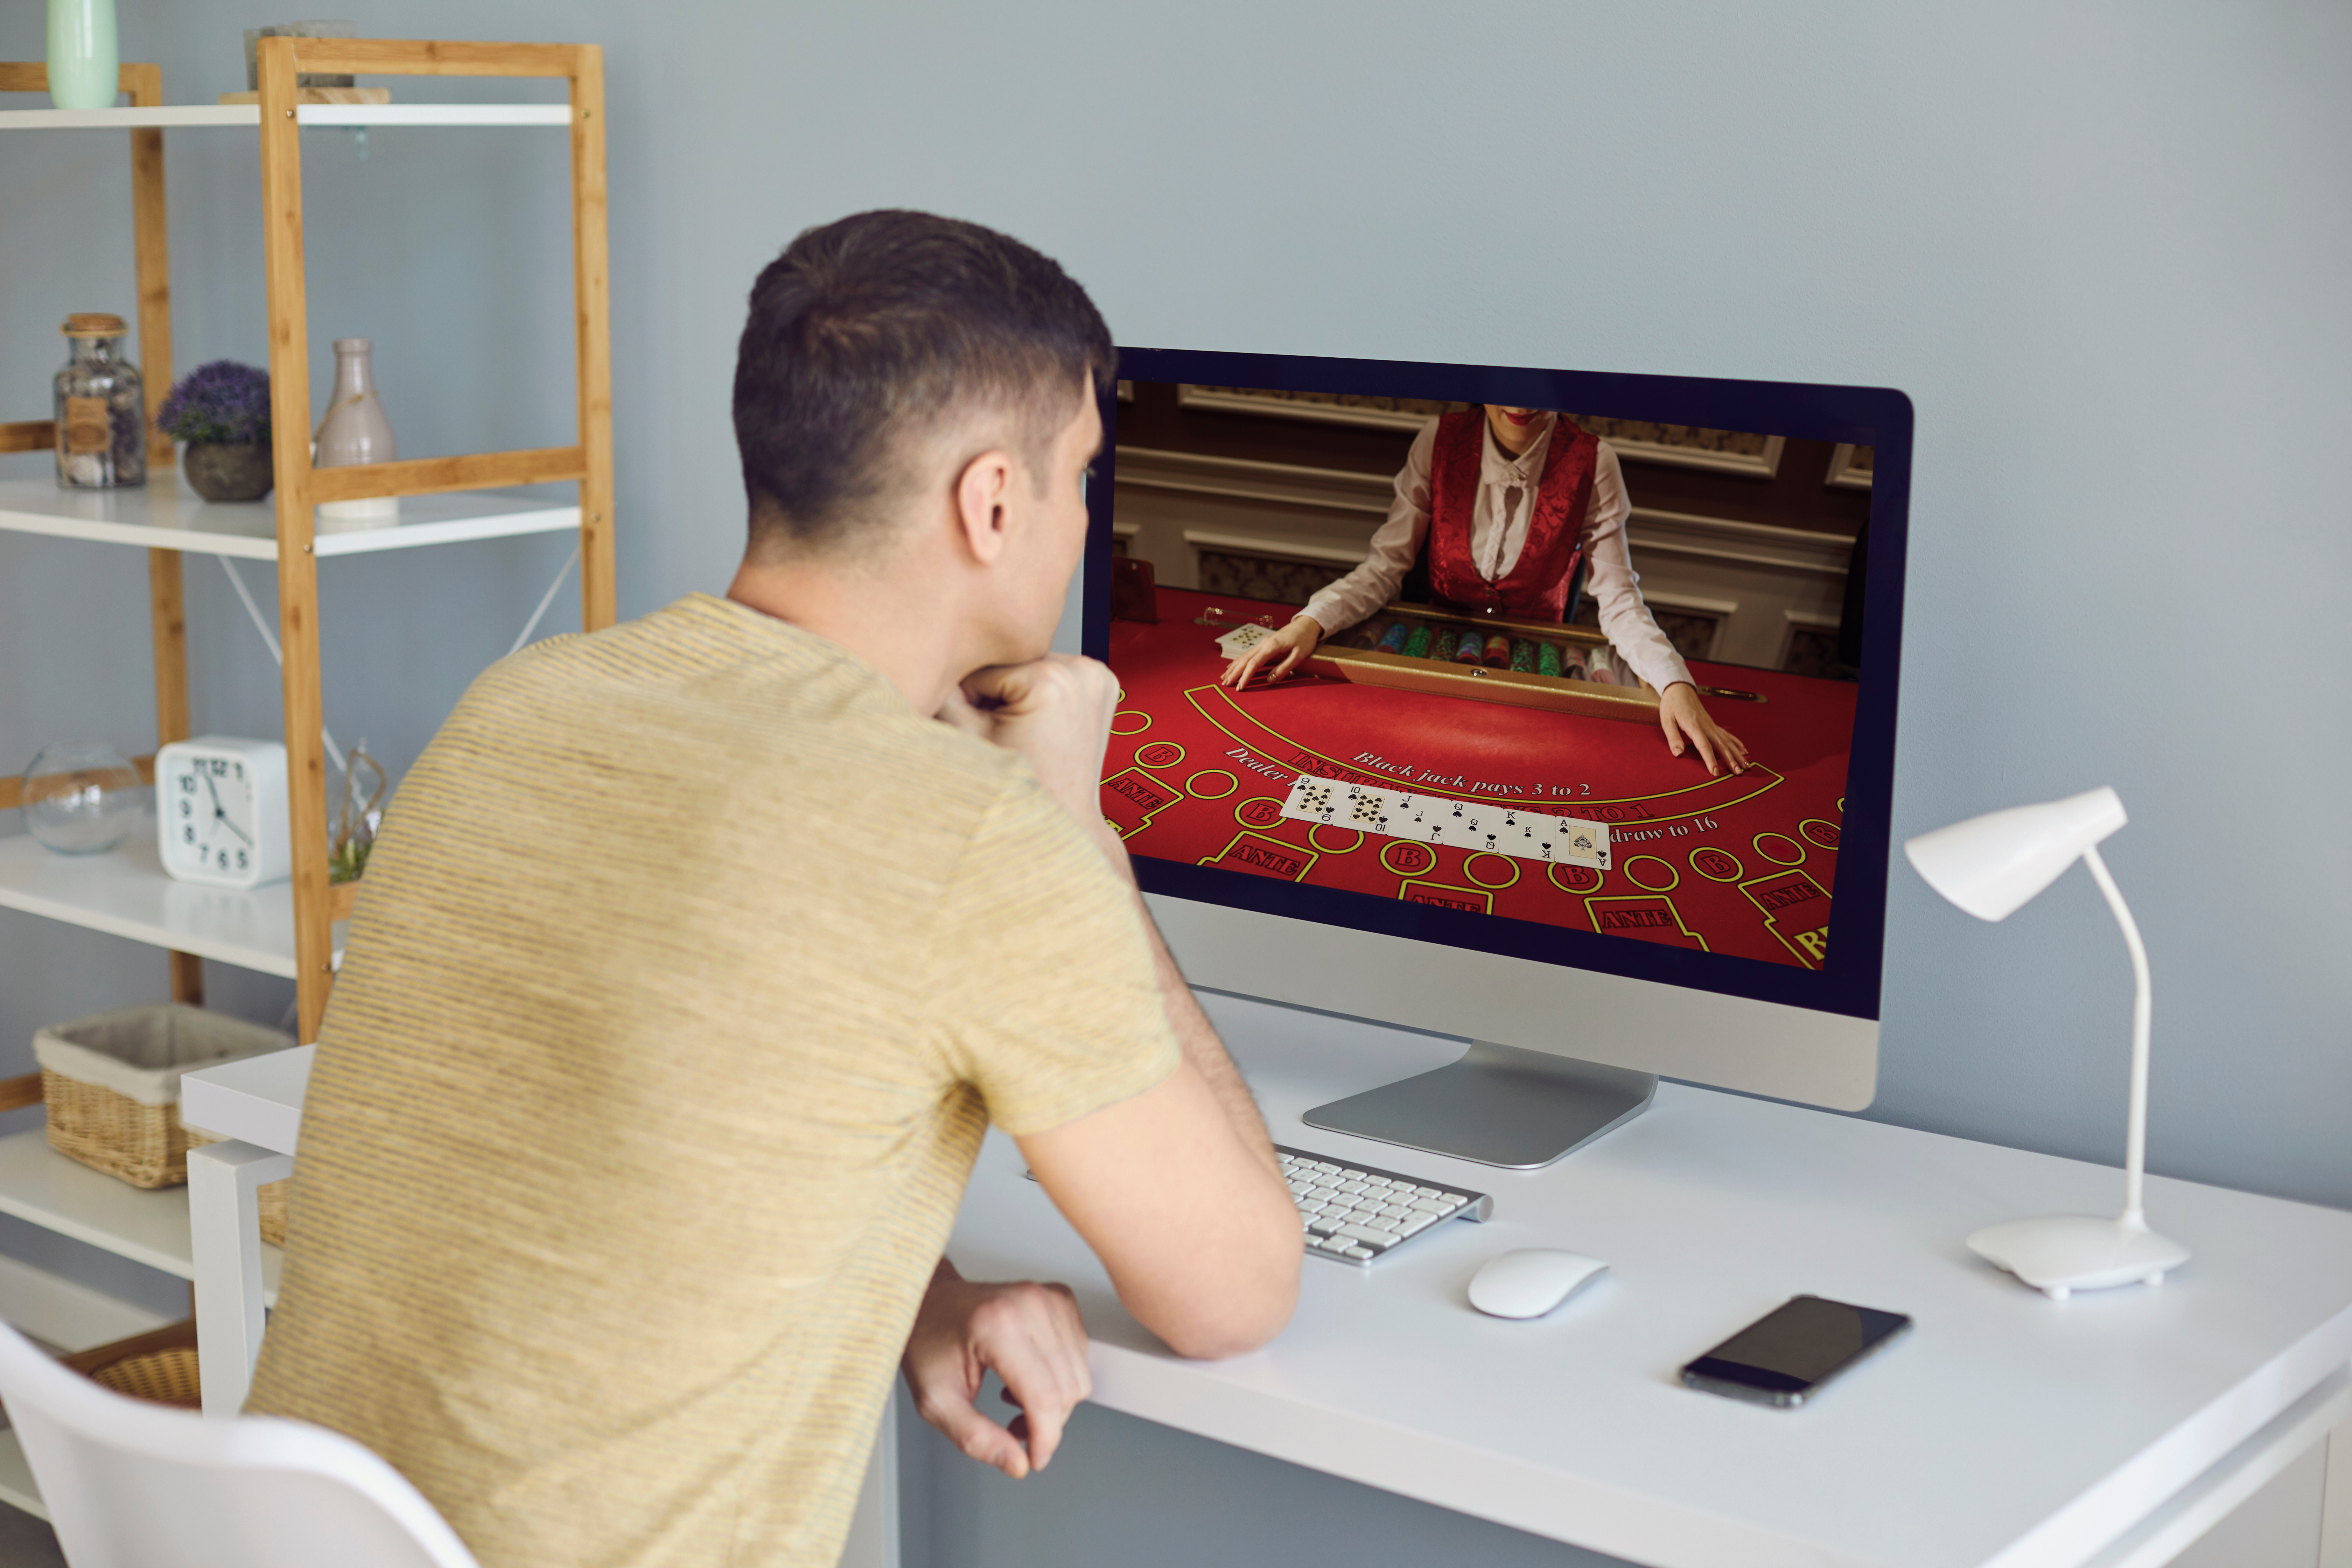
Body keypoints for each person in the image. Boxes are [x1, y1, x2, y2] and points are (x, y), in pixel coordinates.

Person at [247, 211, 1302, 1568]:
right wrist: (1076, 831)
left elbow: (603, 1137)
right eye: (1083, 477)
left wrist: (909, 1288)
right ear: (992, 503)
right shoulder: (974, 839)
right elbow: (1240, 1292)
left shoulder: (519, 706)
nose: (1087, 522)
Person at [1219, 404, 1751, 776]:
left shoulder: (1596, 461)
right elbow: (1385, 569)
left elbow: (1618, 600)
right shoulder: (1439, 439)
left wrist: (1675, 683)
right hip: (1431, 665)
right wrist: (1308, 623)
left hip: (1540, 685)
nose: (1524, 401)